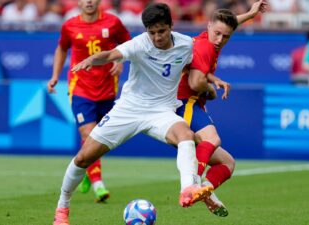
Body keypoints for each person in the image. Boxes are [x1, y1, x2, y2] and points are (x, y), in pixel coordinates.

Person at [52, 3, 213, 225]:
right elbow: (111, 54)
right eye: (152, 32)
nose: (156, 37)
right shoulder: (140, 44)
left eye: (161, 31)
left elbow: (198, 64)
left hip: (161, 112)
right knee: (83, 158)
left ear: (171, 26)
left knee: (186, 135)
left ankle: (187, 189)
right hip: (129, 110)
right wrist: (92, 59)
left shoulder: (186, 44)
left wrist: (213, 81)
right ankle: (62, 209)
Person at [176, 0, 267, 217]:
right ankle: (194, 184)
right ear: (208, 25)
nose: (220, 40)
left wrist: (250, 14)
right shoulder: (205, 45)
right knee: (212, 139)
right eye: (217, 33)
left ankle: (206, 192)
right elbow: (195, 83)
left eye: (226, 36)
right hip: (184, 102)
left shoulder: (209, 38)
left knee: (227, 163)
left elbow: (229, 24)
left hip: (189, 103)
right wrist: (212, 89)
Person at [47, 0, 131, 203]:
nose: (89, 1)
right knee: (88, 133)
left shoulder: (113, 22)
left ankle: (86, 170)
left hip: (107, 88)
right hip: (81, 88)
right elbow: (62, 49)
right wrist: (55, 75)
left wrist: (120, 63)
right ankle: (98, 183)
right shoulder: (69, 25)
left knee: (99, 140)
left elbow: (129, 46)